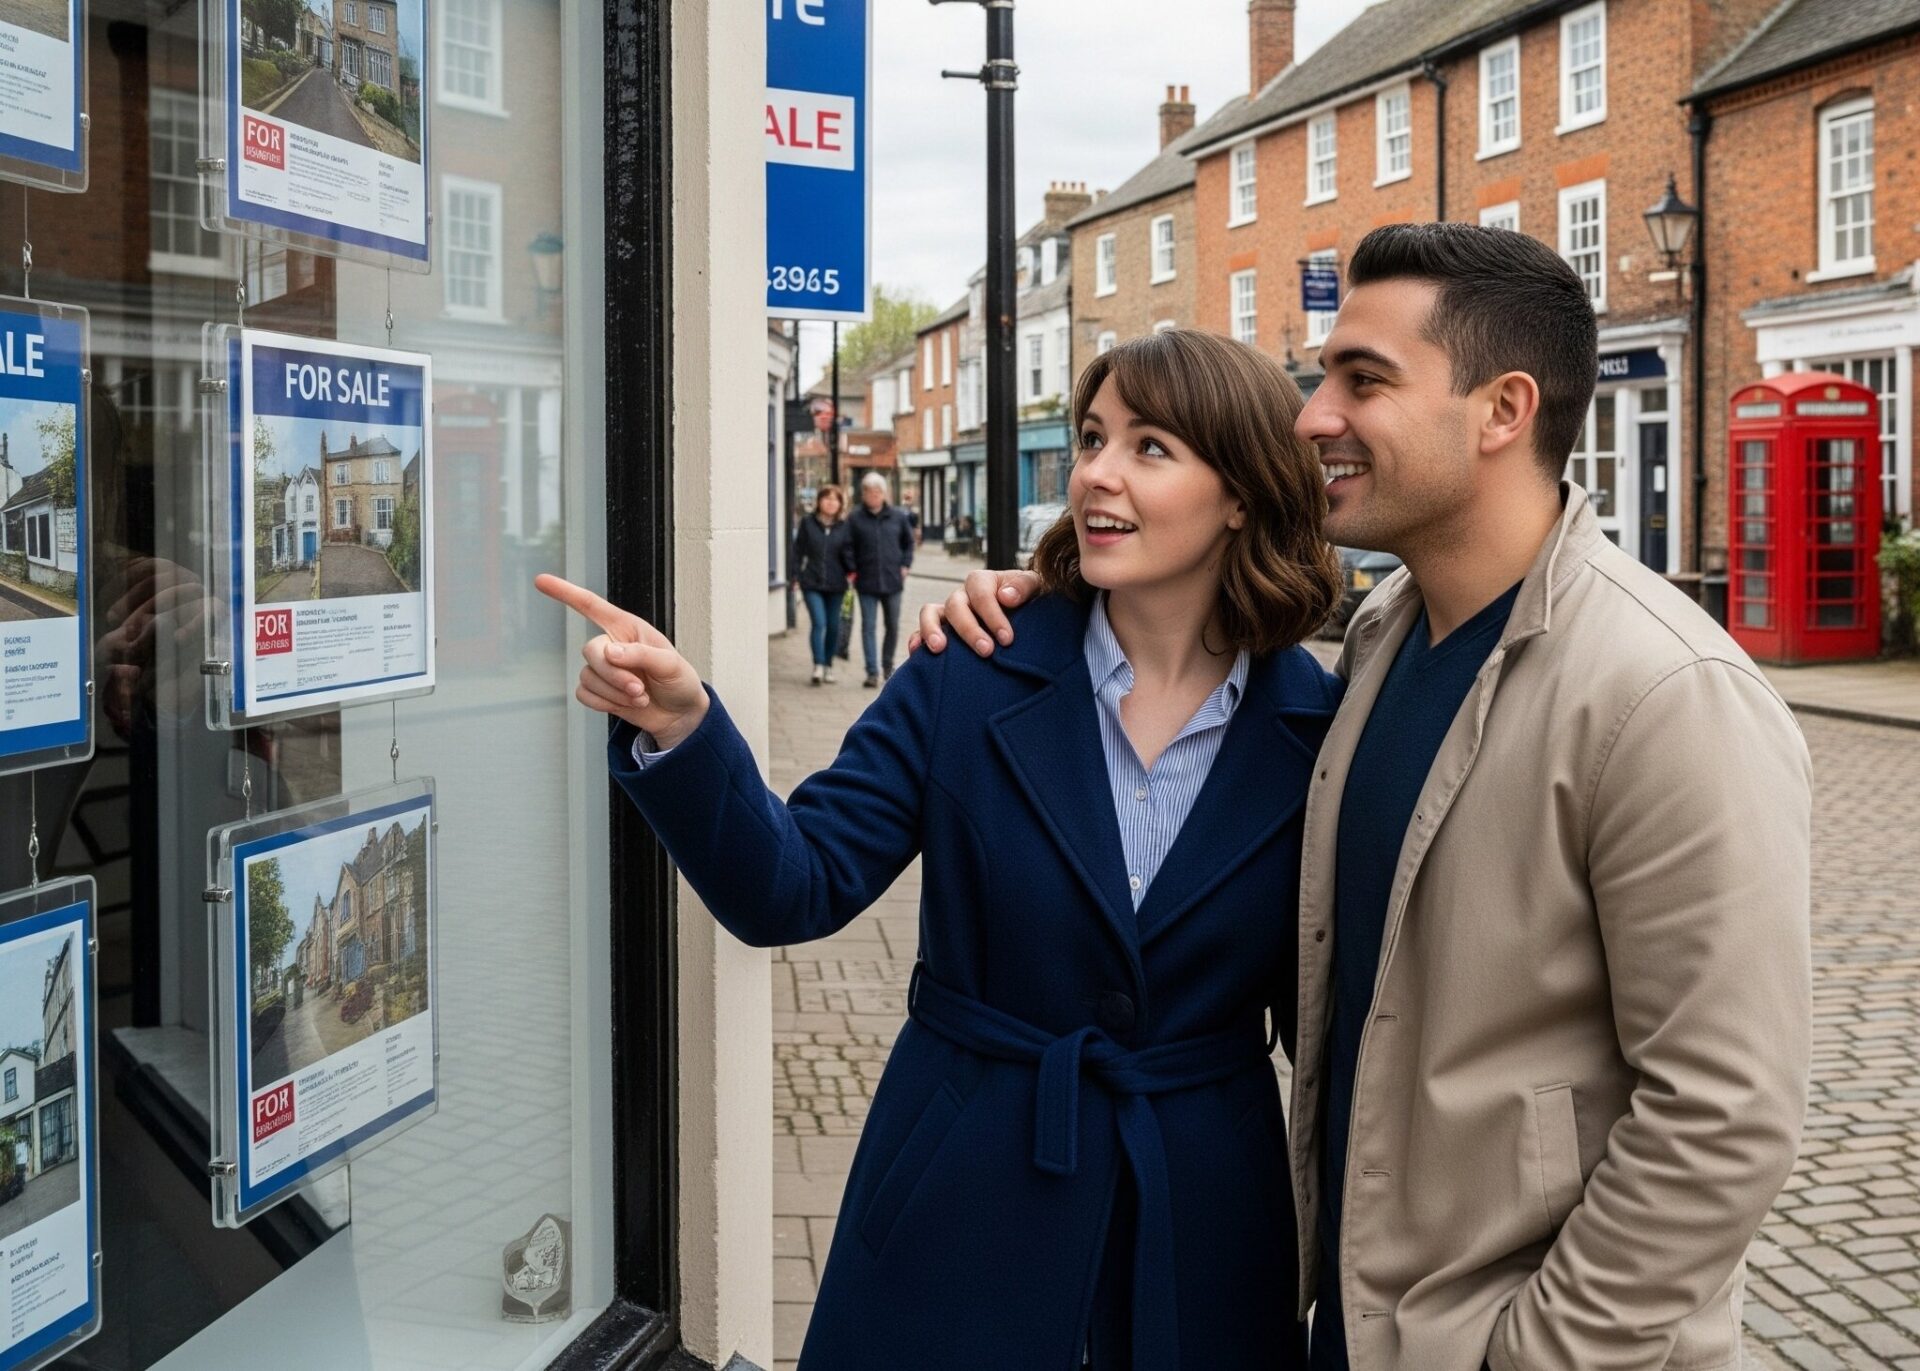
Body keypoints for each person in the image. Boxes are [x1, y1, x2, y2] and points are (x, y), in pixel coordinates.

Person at [915, 223, 1813, 1371]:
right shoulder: (1384, 636)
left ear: (1502, 411)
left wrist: (1533, 1356)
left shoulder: (1666, 693)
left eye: (1363, 380)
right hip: (1352, 1320)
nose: (1312, 417)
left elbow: (1724, 1115)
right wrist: (1041, 608)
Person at [538, 328, 1343, 1369]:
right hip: (965, 1184)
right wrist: (685, 727)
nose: (1095, 473)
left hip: (1203, 1214)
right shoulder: (969, 667)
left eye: (1149, 447)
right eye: (1092, 438)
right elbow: (793, 885)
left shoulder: (1320, 730)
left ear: (1241, 493)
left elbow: (1338, 1021)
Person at [846, 471, 915, 687]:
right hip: (866, 582)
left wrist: (905, 565)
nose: (874, 495)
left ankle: (887, 666)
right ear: (863, 494)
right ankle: (872, 672)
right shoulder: (855, 518)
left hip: (893, 581)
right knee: (868, 626)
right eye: (869, 491)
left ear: (884, 494)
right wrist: (852, 568)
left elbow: (909, 543)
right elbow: (847, 547)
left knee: (892, 625)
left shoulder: (898, 517)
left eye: (877, 491)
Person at [789, 484, 853, 685]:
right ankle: (818, 665)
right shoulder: (808, 523)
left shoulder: (844, 526)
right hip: (812, 582)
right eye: (827, 498)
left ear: (840, 504)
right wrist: (795, 576)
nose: (831, 503)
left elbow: (849, 553)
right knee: (819, 623)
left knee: (833, 626)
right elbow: (797, 551)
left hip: (837, 584)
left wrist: (853, 570)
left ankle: (828, 665)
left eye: (835, 499)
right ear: (819, 501)